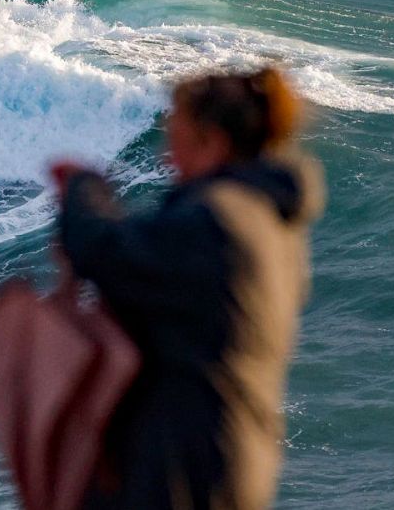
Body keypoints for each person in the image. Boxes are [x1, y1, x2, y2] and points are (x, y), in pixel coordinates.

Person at [49, 67, 325, 510]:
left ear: (213, 143)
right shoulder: (273, 225)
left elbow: (103, 251)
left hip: (184, 475)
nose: (165, 160)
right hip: (234, 462)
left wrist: (83, 190)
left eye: (176, 141)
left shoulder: (215, 222)